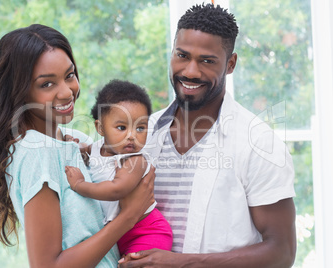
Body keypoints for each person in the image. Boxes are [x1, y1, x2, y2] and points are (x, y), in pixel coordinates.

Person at [119, 3, 296, 268]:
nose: (190, 71)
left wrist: (182, 263)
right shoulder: (143, 134)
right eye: (182, 55)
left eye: (207, 60)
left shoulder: (259, 143)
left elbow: (281, 252)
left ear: (230, 64)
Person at [0, 24, 155, 268]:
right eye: (47, 84)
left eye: (69, 75)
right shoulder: (38, 153)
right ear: (20, 92)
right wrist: (128, 217)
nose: (67, 92)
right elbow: (48, 265)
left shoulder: (70, 138)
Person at [65, 79, 173, 256]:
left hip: (147, 232)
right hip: (119, 233)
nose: (131, 136)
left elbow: (116, 189)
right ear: (100, 128)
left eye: (140, 128)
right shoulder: (96, 148)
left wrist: (79, 185)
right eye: (121, 127)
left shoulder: (135, 161)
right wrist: (72, 144)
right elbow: (84, 152)